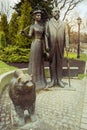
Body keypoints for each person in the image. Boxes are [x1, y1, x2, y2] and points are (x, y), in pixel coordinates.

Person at [21, 9, 47, 88]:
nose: (39, 16)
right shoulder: (32, 26)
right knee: (34, 61)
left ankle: (41, 80)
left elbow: (44, 37)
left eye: (40, 15)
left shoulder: (42, 26)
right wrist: (24, 34)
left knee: (40, 62)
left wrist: (45, 47)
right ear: (34, 17)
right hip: (35, 44)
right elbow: (29, 36)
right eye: (37, 15)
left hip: (41, 45)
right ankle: (34, 80)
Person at [45, 7, 69, 88]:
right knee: (52, 63)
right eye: (55, 11)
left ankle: (59, 80)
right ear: (52, 13)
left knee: (59, 63)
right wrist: (47, 46)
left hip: (60, 46)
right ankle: (52, 80)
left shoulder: (63, 23)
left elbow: (66, 35)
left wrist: (67, 45)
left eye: (58, 11)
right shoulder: (48, 23)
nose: (57, 13)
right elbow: (46, 35)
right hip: (51, 47)